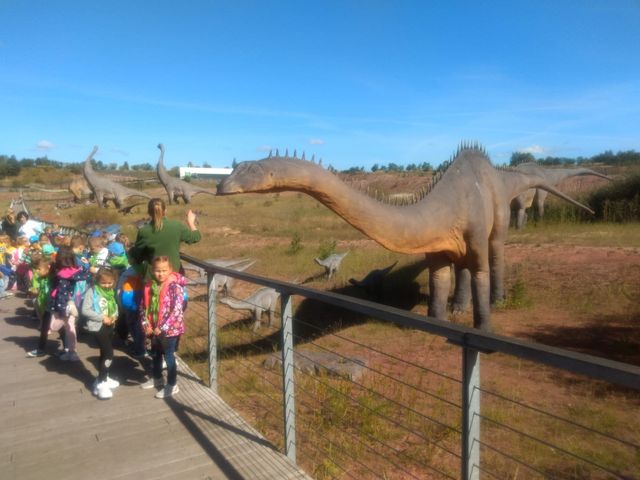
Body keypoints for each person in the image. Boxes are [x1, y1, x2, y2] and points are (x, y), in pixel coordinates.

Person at [139, 255, 187, 399]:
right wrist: (145, 324)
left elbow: (176, 310)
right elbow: (143, 306)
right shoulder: (149, 285)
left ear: (170, 270)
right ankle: (157, 378)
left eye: (164, 270)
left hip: (169, 330)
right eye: (157, 270)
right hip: (153, 328)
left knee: (169, 356)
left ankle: (172, 384)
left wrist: (162, 327)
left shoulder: (175, 287)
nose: (161, 274)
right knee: (155, 354)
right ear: (152, 271)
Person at [129, 198, 200, 278]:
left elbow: (137, 255)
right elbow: (196, 237)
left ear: (149, 212)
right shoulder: (176, 226)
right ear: (165, 211)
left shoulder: (144, 231)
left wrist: (131, 251)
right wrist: (190, 222)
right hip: (174, 274)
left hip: (153, 277)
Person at [81, 267, 120, 400]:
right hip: (98, 327)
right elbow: (85, 310)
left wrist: (114, 316)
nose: (107, 285)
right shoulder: (92, 292)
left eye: (110, 283)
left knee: (104, 353)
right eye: (104, 283)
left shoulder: (110, 292)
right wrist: (102, 317)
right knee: (109, 354)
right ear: (97, 281)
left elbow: (115, 306)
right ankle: (101, 384)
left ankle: (103, 377)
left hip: (110, 326)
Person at [49, 246, 91, 361]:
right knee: (70, 328)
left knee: (55, 326)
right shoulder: (78, 271)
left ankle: (71, 352)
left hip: (64, 305)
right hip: (75, 303)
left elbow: (61, 293)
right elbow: (87, 275)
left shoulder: (62, 275)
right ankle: (72, 352)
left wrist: (60, 310)